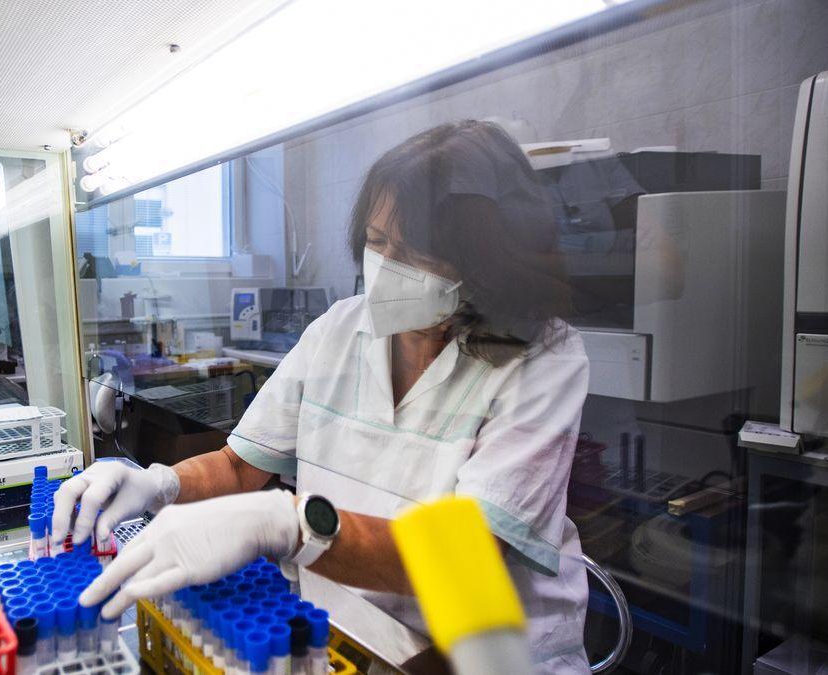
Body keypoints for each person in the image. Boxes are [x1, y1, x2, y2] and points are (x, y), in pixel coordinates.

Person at [54, 120, 591, 673]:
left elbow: (468, 556)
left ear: (484, 260)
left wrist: (293, 525)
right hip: (339, 629)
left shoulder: (542, 357)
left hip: (485, 655)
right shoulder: (339, 329)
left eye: (416, 253)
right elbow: (240, 468)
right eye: (378, 243)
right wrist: (158, 483)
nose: (386, 267)